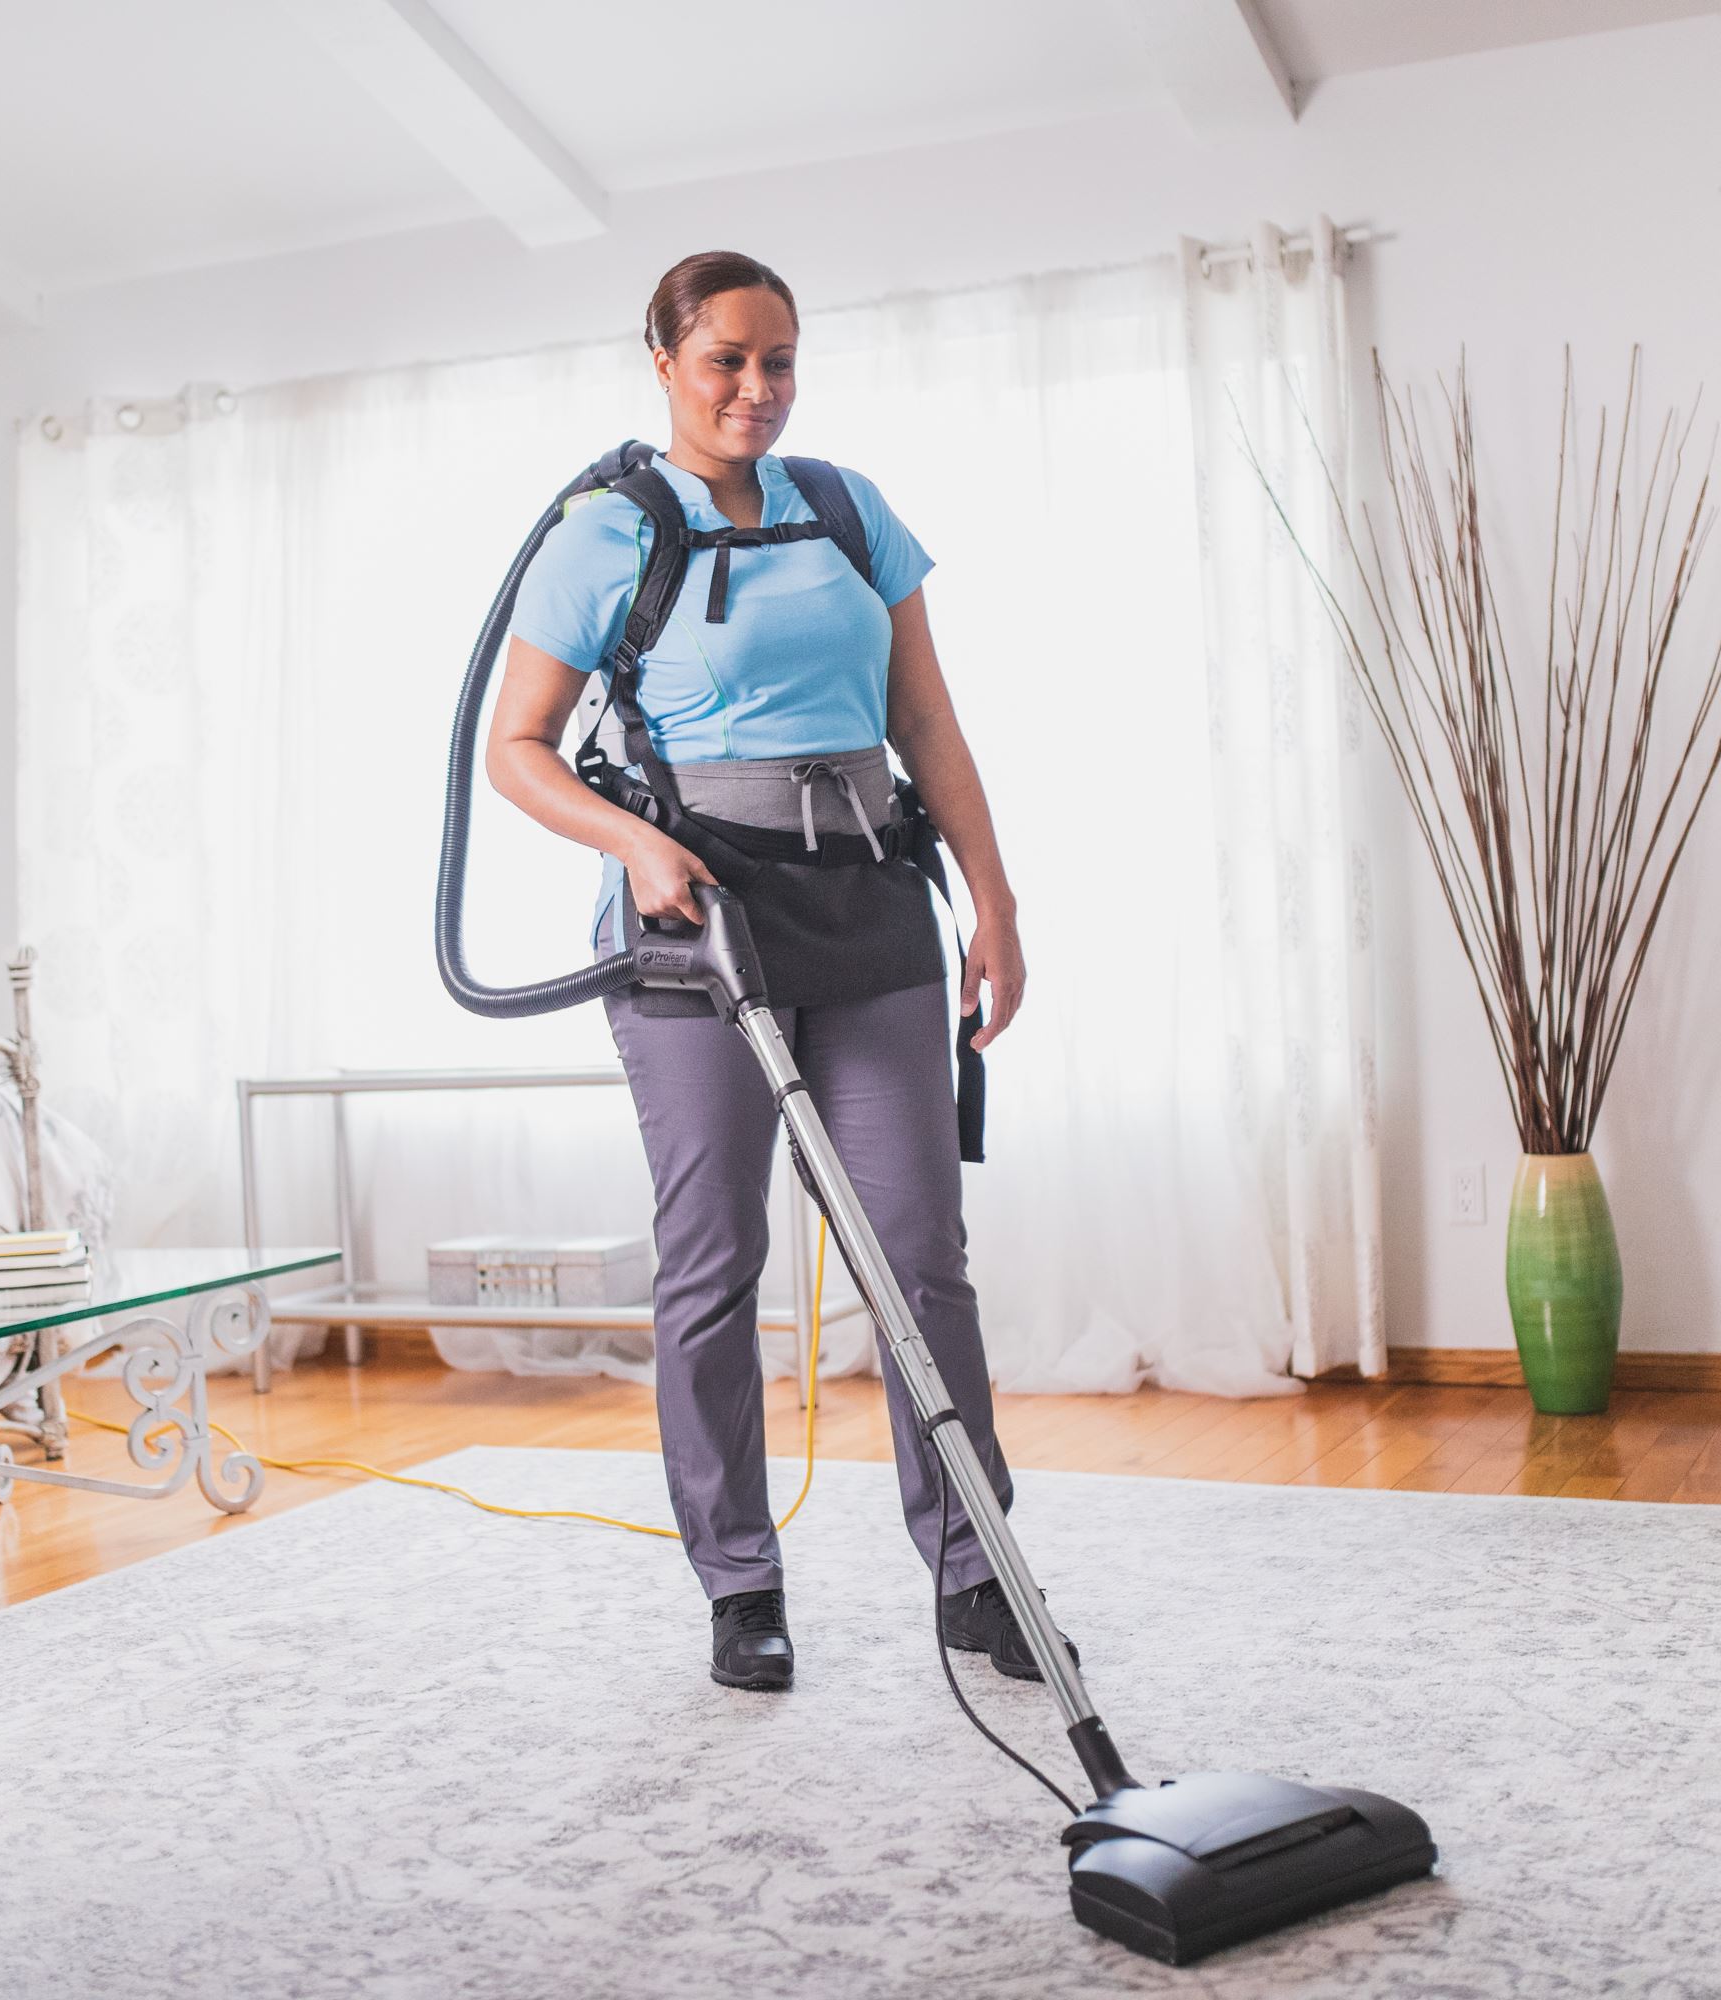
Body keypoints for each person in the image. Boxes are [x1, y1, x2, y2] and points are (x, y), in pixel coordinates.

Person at [487, 250, 1056, 1692]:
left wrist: (990, 897)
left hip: (872, 906)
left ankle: (977, 1567)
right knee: (716, 1261)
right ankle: (741, 1583)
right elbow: (518, 749)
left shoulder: (852, 512)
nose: (757, 388)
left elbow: (926, 717)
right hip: (699, 930)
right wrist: (632, 844)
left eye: (780, 360)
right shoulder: (608, 533)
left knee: (920, 1255)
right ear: (665, 363)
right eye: (727, 359)